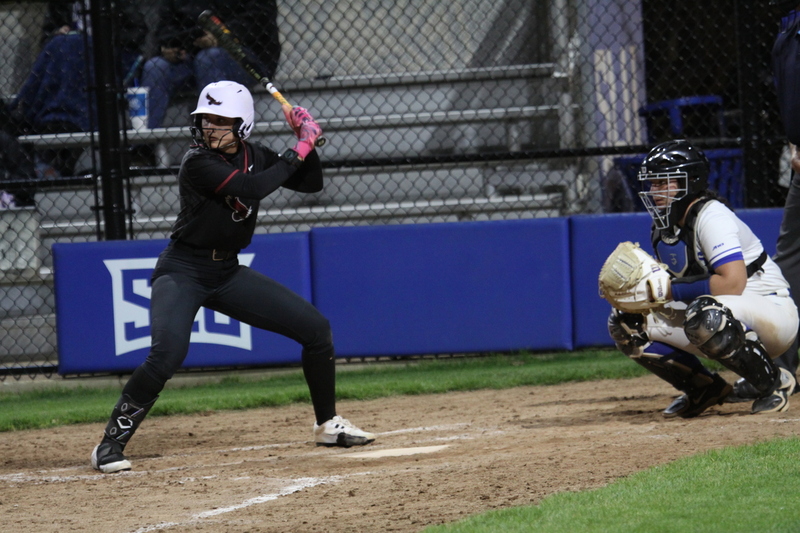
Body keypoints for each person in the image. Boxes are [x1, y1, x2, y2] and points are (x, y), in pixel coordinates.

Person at [90, 81, 375, 473]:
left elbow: (312, 183)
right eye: (206, 120)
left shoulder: (254, 154)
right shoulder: (196, 162)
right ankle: (109, 445)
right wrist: (302, 146)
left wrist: (301, 139)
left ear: (243, 126)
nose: (209, 128)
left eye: (221, 121)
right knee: (167, 354)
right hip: (183, 269)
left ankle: (327, 424)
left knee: (316, 329)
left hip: (226, 271)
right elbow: (252, 187)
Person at [607, 139, 799, 418]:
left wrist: (667, 290)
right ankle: (704, 388)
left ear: (691, 181)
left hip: (772, 313)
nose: (655, 191)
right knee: (625, 321)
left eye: (664, 183)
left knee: (705, 313)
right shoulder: (664, 225)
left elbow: (733, 284)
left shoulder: (712, 216)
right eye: (653, 183)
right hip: (722, 314)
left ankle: (775, 384)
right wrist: (643, 293)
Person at [141, 0, 281, 129]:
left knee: (209, 58)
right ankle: (144, 147)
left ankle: (215, 143)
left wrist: (221, 36)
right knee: (155, 67)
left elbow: (259, 19)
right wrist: (167, 46)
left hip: (245, 57)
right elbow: (164, 27)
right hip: (190, 56)